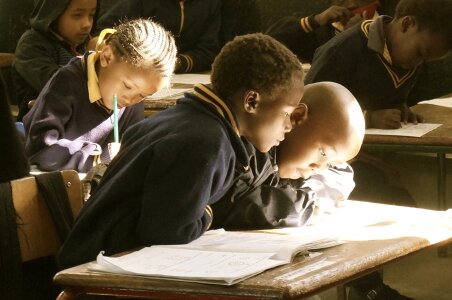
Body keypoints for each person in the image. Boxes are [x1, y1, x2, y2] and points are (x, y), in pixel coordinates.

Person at [57, 33, 304, 270]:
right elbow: (169, 232)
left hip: (97, 260)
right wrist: (210, 211)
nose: (288, 126)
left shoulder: (184, 120)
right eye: (286, 113)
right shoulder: (205, 142)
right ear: (251, 102)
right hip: (95, 274)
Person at [23, 18, 177, 173]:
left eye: (143, 95)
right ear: (106, 57)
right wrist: (98, 157)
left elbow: (132, 148)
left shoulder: (133, 101)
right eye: (128, 86)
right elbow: (40, 150)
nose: (131, 100)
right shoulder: (67, 82)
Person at [210, 81, 365, 231]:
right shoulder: (251, 144)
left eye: (330, 163)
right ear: (296, 117)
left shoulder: (290, 161)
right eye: (323, 153)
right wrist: (301, 206)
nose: (318, 168)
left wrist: (310, 196)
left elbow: (342, 173)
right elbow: (231, 203)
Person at [305, 0, 451, 129]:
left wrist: (400, 109)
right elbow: (308, 109)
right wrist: (370, 118)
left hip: (380, 147)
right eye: (419, 53)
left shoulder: (407, 59)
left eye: (425, 60)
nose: (418, 63)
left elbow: (385, 97)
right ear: (406, 24)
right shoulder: (343, 49)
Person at [12, 0, 99, 121]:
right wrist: (89, 60)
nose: (87, 24)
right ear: (53, 14)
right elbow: (57, 84)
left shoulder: (83, 44)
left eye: (91, 15)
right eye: (77, 15)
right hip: (38, 127)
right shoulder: (32, 44)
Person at [94, 0, 221, 73]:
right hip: (136, 71)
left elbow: (208, 49)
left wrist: (177, 63)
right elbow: (103, 31)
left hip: (184, 79)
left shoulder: (209, 4)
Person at [266, 0, 380, 63]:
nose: (352, 4)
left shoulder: (388, 29)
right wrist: (316, 20)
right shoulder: (319, 29)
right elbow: (265, 45)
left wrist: (358, 35)